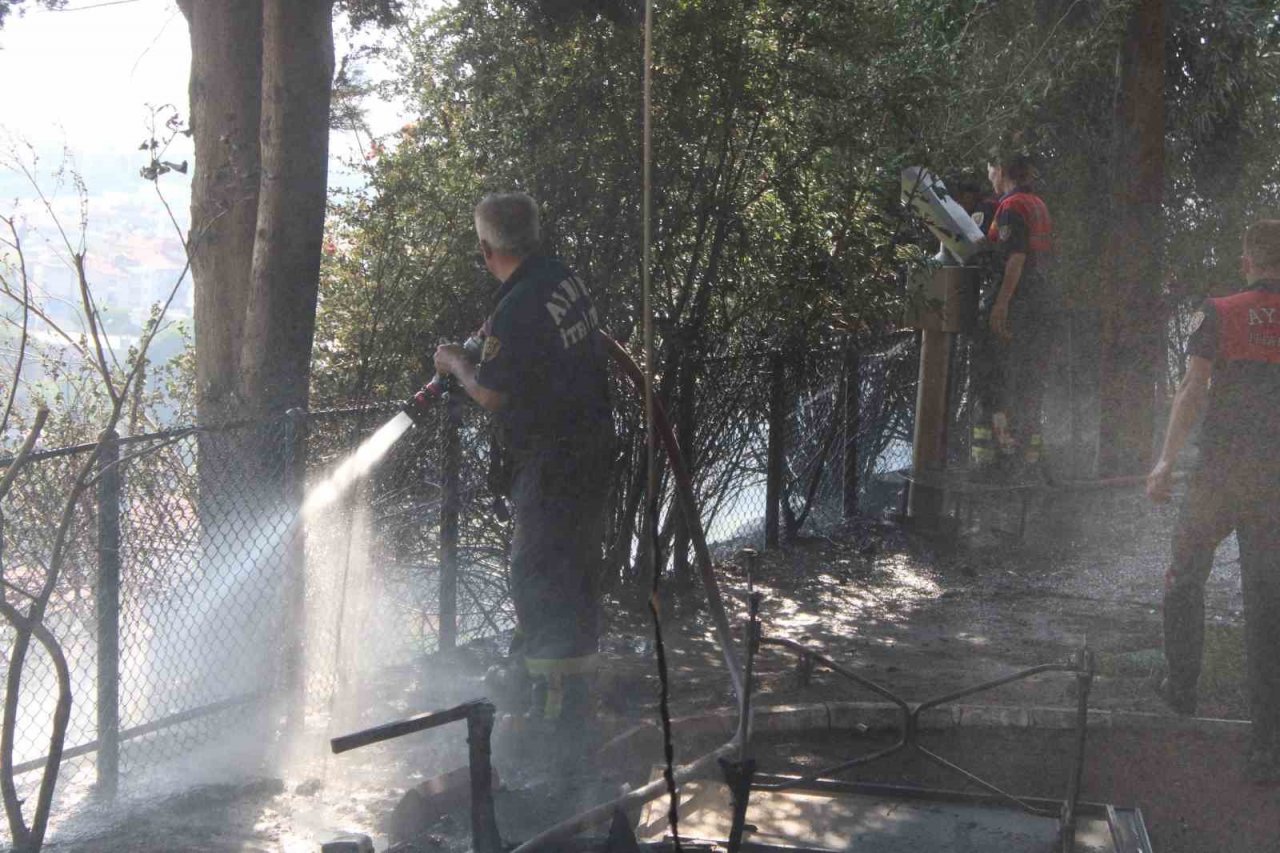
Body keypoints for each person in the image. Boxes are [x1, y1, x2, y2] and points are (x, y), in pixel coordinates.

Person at [433, 192, 613, 734]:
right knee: (571, 572)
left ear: (486, 248)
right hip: (590, 449)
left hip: (554, 462)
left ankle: (554, 716)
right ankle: (564, 693)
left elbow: (491, 393)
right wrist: (490, 340)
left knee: (538, 574)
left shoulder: (519, 306)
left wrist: (456, 364)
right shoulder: (559, 277)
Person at [1147, 219, 1280, 784]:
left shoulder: (1220, 312)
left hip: (1218, 477)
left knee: (1183, 578)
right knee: (1268, 609)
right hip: (1275, 484)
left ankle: (1181, 689)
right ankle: (1266, 746)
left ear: (1248, 257)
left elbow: (1192, 389)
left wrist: (1166, 460)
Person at [969, 151, 1055, 480]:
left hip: (1017, 303)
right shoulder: (1036, 203)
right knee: (1028, 381)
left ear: (1001, 169)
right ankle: (1027, 458)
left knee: (996, 379)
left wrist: (1001, 304)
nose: (988, 174)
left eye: (990, 168)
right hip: (1037, 303)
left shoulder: (1011, 206)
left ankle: (996, 462)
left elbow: (1015, 258)